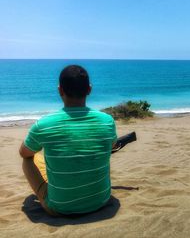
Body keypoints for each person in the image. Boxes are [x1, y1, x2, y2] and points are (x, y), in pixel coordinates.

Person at [19, 65, 117, 216]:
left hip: (60, 208)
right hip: (101, 201)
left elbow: (23, 153)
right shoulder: (107, 121)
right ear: (89, 90)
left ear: (60, 90)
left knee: (29, 159)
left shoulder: (44, 125)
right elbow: (112, 146)